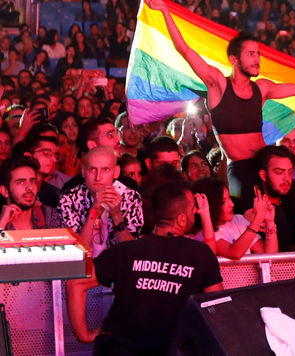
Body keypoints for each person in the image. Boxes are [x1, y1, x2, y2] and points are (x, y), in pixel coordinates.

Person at [145, 0, 295, 210]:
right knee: (249, 216)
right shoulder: (218, 84)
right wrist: (165, 11)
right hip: (239, 169)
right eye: (251, 54)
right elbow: (184, 49)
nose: (257, 59)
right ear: (234, 60)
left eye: (258, 54)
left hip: (266, 164)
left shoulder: (263, 88)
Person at [66, 181, 223, 354]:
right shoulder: (201, 255)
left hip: (119, 348)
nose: (195, 212)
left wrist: (84, 334)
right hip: (172, 349)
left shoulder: (125, 251)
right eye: (192, 208)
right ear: (181, 219)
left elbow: (76, 283)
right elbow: (217, 306)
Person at [58, 146, 143, 258]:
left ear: (116, 172)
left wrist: (117, 215)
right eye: (92, 169)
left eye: (105, 169)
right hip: (84, 269)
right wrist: (93, 211)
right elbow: (78, 254)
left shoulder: (130, 197)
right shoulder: (69, 198)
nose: (98, 177)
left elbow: (131, 252)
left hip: (118, 269)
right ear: (83, 171)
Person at [0, 156, 62, 230]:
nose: (30, 188)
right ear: (4, 191)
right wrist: (2, 224)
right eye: (21, 182)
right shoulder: (2, 221)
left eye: (33, 181)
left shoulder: (48, 215)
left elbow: (64, 241)